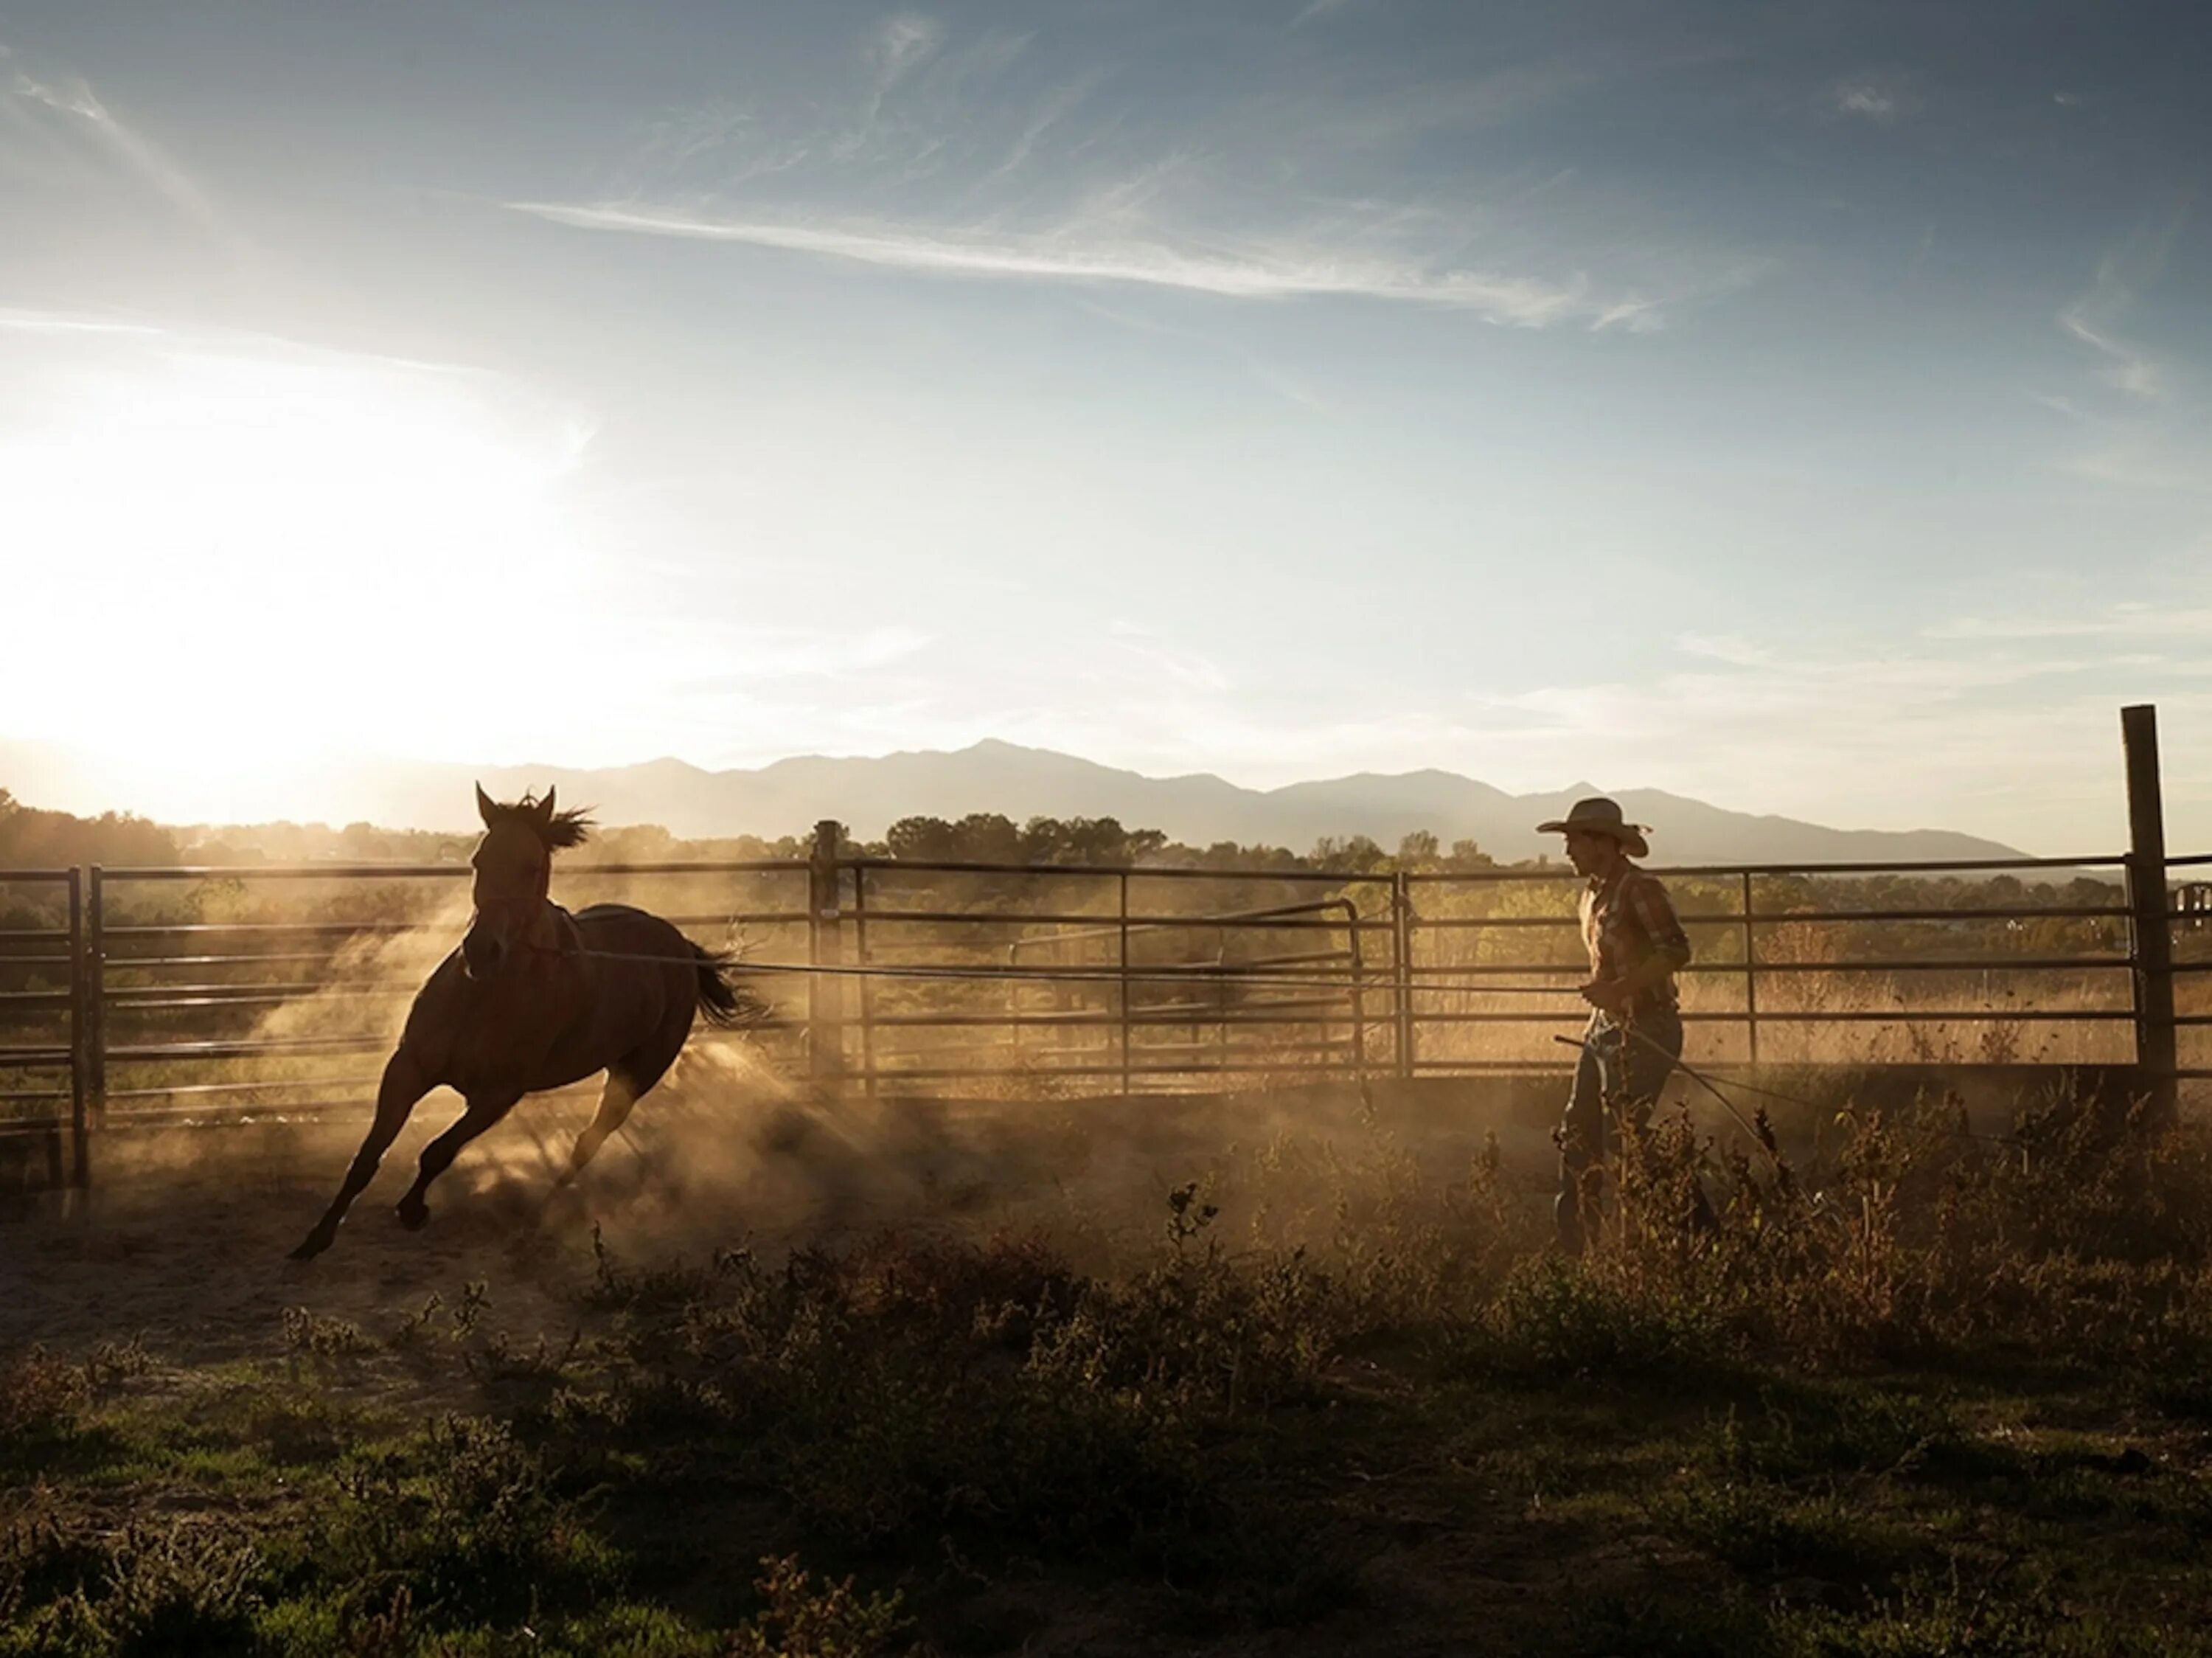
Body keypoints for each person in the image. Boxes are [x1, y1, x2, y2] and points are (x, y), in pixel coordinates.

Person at [1537, 797, 1692, 1254]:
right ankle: (1577, 1246)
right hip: (1603, 1028)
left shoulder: (1640, 889)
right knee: (1581, 1134)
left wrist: (1621, 988)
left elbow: (1676, 950)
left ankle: (1685, 1232)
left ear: (1603, 843)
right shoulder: (1594, 893)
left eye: (1574, 841)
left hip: (1645, 1028)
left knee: (1628, 1141)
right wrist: (1607, 994)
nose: (1568, 851)